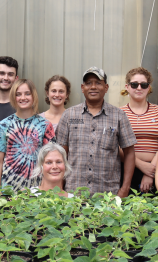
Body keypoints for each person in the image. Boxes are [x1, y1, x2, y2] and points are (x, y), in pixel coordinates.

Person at [56, 67, 137, 197]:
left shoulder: (119, 116)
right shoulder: (69, 115)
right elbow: (60, 154)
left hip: (108, 195)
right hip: (73, 193)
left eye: (98, 83)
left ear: (106, 87)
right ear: (82, 88)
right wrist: (60, 186)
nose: (93, 87)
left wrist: (125, 189)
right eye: (88, 83)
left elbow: (129, 153)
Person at [0, 79, 55, 192]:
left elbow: (49, 160)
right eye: (18, 94)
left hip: (37, 189)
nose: (23, 98)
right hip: (9, 188)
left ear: (33, 96)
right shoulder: (3, 125)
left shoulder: (45, 125)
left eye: (27, 93)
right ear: (13, 97)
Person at [119, 67, 158, 194]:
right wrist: (141, 165)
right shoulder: (118, 113)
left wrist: (150, 172)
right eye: (134, 84)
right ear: (127, 86)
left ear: (149, 88)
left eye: (144, 85)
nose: (139, 88)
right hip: (126, 169)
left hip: (156, 169)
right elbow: (116, 146)